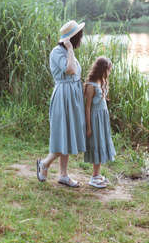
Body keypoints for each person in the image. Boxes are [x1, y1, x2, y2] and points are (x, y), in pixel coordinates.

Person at [36, 20, 86, 187]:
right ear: (72, 39)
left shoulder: (67, 51)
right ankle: (44, 164)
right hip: (62, 96)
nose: (81, 39)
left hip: (72, 96)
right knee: (62, 134)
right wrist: (70, 49)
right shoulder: (58, 52)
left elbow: (76, 75)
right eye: (79, 36)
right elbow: (70, 70)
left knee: (69, 134)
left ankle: (63, 175)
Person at [83, 57, 116, 188]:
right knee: (96, 144)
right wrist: (89, 127)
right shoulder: (91, 85)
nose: (109, 72)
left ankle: (97, 174)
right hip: (95, 120)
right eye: (108, 70)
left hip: (102, 119)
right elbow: (88, 107)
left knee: (102, 142)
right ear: (103, 69)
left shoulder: (101, 82)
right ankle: (94, 177)